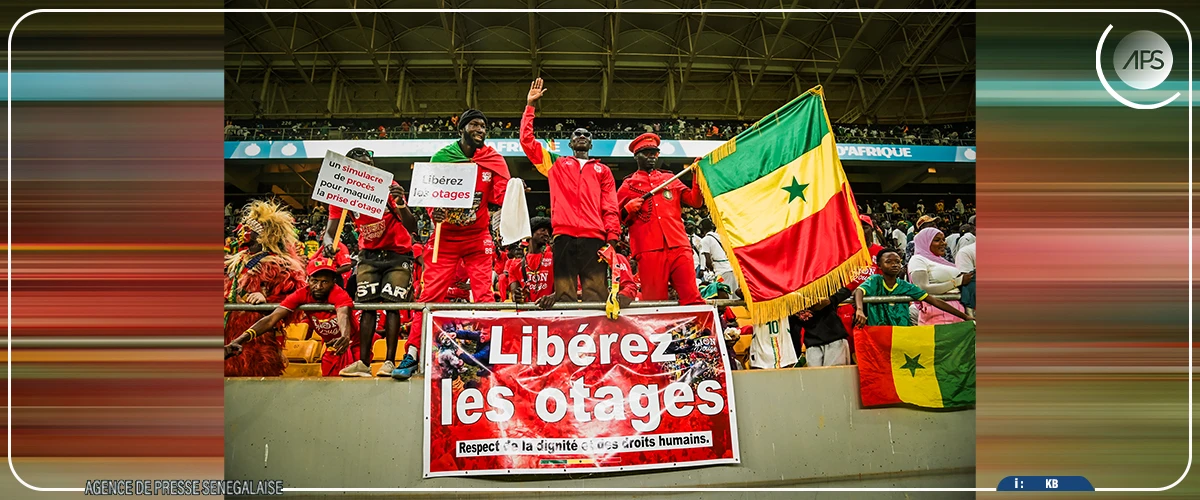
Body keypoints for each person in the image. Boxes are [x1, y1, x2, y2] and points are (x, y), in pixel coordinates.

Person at [397, 108, 511, 380]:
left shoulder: (492, 159)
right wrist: (433, 211)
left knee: (484, 294)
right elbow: (429, 195)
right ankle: (413, 352)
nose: (480, 130)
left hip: (477, 237)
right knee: (429, 297)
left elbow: (499, 195)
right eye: (474, 124)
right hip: (444, 238)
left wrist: (512, 191)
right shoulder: (442, 157)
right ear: (461, 128)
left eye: (484, 126)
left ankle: (489, 351)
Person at [520, 78, 620, 308]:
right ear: (570, 143)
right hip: (563, 236)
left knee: (596, 292)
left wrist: (612, 236)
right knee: (564, 294)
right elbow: (527, 142)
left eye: (586, 134)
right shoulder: (556, 164)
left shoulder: (602, 170)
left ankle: (597, 340)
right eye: (577, 134)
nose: (582, 136)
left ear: (591, 145)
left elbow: (610, 206)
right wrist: (530, 107)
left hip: (595, 237)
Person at [322, 147, 419, 378]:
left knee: (393, 306)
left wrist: (400, 203)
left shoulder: (388, 186)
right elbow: (330, 231)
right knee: (366, 307)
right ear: (349, 170)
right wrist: (328, 243)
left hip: (398, 254)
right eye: (360, 165)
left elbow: (412, 226)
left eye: (369, 164)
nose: (366, 169)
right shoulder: (341, 193)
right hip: (369, 256)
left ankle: (388, 362)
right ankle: (364, 363)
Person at [225, 257, 359, 376]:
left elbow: (343, 314)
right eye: (315, 281)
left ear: (333, 282)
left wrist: (345, 336)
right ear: (308, 280)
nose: (318, 286)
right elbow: (271, 319)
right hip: (333, 348)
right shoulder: (302, 294)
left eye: (325, 282)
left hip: (353, 346)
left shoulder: (338, 293)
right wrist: (239, 340)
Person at [616, 133, 705, 305]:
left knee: (693, 297)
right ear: (636, 156)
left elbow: (695, 201)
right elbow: (614, 216)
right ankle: (661, 333)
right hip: (649, 250)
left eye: (654, 153)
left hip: (679, 245)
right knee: (655, 302)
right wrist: (627, 209)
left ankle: (704, 331)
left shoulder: (669, 179)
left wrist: (697, 175)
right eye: (646, 153)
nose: (651, 157)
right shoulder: (628, 185)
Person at [223, 200, 306, 377]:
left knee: (257, 372)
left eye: (249, 229)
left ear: (263, 235)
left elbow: (295, 297)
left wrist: (266, 301)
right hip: (228, 329)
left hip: (258, 334)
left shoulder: (279, 264)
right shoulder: (237, 261)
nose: (241, 231)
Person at [854, 248, 972, 327]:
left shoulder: (905, 286)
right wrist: (859, 309)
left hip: (901, 331)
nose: (894, 264)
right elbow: (859, 291)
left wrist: (965, 316)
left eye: (897, 261)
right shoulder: (875, 280)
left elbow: (934, 301)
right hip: (878, 330)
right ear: (879, 265)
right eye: (889, 262)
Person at [907, 228, 974, 325]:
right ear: (925, 242)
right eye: (937, 240)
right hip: (936, 313)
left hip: (958, 313)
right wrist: (958, 282)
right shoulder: (918, 260)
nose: (944, 243)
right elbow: (922, 288)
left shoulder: (943, 261)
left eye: (943, 239)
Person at [794, 286, 853, 367]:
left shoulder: (822, 278)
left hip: (834, 337)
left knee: (835, 377)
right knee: (815, 378)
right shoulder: (792, 284)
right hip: (811, 342)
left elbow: (847, 290)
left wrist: (830, 300)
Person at [507, 217, 555, 304]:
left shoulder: (553, 258)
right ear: (530, 233)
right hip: (526, 315)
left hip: (548, 314)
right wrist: (518, 296)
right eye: (543, 230)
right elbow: (515, 294)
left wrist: (553, 297)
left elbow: (563, 289)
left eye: (548, 231)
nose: (547, 234)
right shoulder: (515, 265)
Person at [698, 219, 736, 295]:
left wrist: (711, 269)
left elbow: (708, 260)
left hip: (721, 272)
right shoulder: (720, 237)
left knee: (725, 295)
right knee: (734, 295)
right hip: (732, 269)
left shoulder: (705, 240)